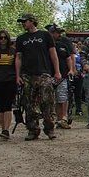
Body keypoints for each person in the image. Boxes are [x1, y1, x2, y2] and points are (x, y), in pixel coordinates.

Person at [14, 13, 61, 141]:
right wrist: (17, 76)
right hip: (27, 75)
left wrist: (57, 71)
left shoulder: (45, 35)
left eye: (25, 21)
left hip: (44, 73)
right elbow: (18, 58)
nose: (23, 23)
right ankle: (33, 130)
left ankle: (49, 128)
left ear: (32, 21)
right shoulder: (21, 39)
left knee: (47, 101)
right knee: (29, 103)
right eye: (22, 22)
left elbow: (53, 54)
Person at [46, 24, 75, 129]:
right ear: (51, 33)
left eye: (59, 32)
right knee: (49, 99)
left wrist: (71, 69)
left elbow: (69, 58)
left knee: (62, 98)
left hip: (63, 75)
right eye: (57, 32)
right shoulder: (45, 45)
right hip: (48, 76)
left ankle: (62, 118)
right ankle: (51, 118)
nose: (59, 34)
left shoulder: (64, 44)